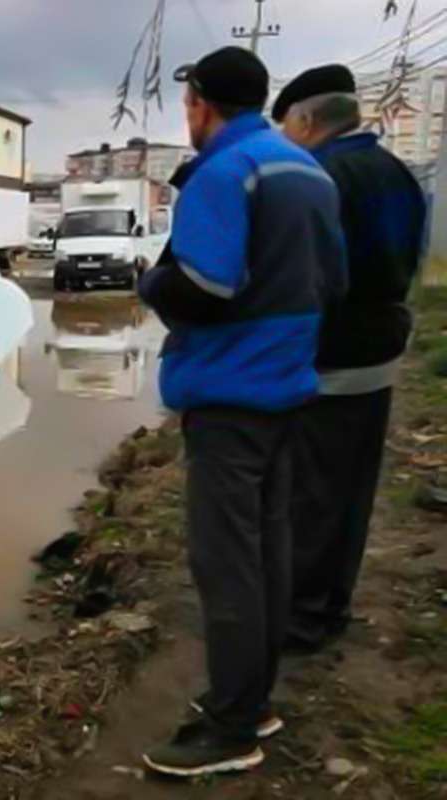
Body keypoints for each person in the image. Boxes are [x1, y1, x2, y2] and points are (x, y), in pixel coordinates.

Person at [137, 47, 347, 777]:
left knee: (226, 564)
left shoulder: (224, 172)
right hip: (288, 388)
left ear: (200, 104)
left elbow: (203, 287)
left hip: (230, 395)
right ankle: (252, 701)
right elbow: (335, 281)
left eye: (187, 103)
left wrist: (151, 282)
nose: (187, 116)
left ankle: (230, 729)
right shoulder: (307, 169)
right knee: (266, 553)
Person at [273, 65, 426, 653]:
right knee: (351, 488)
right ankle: (331, 603)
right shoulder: (396, 171)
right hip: (379, 348)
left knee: (311, 492)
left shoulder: (321, 177)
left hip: (331, 355)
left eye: (286, 125)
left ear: (306, 120)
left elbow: (308, 278)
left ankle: (302, 619)